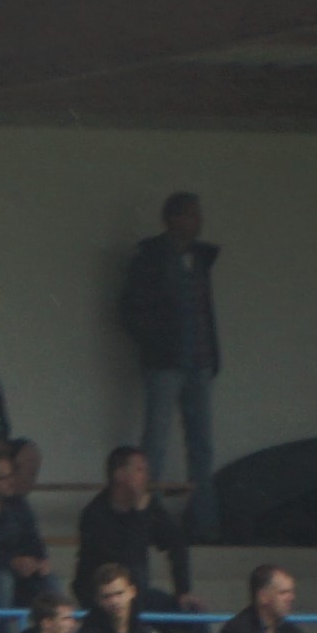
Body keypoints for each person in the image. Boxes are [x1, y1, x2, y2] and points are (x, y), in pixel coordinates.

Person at [115, 192, 222, 504]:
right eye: (191, 214)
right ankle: (149, 513)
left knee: (202, 445)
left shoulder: (200, 259)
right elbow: (129, 310)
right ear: (172, 219)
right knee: (155, 444)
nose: (198, 221)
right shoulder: (150, 259)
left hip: (199, 361)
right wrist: (156, 342)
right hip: (165, 364)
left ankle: (203, 517)